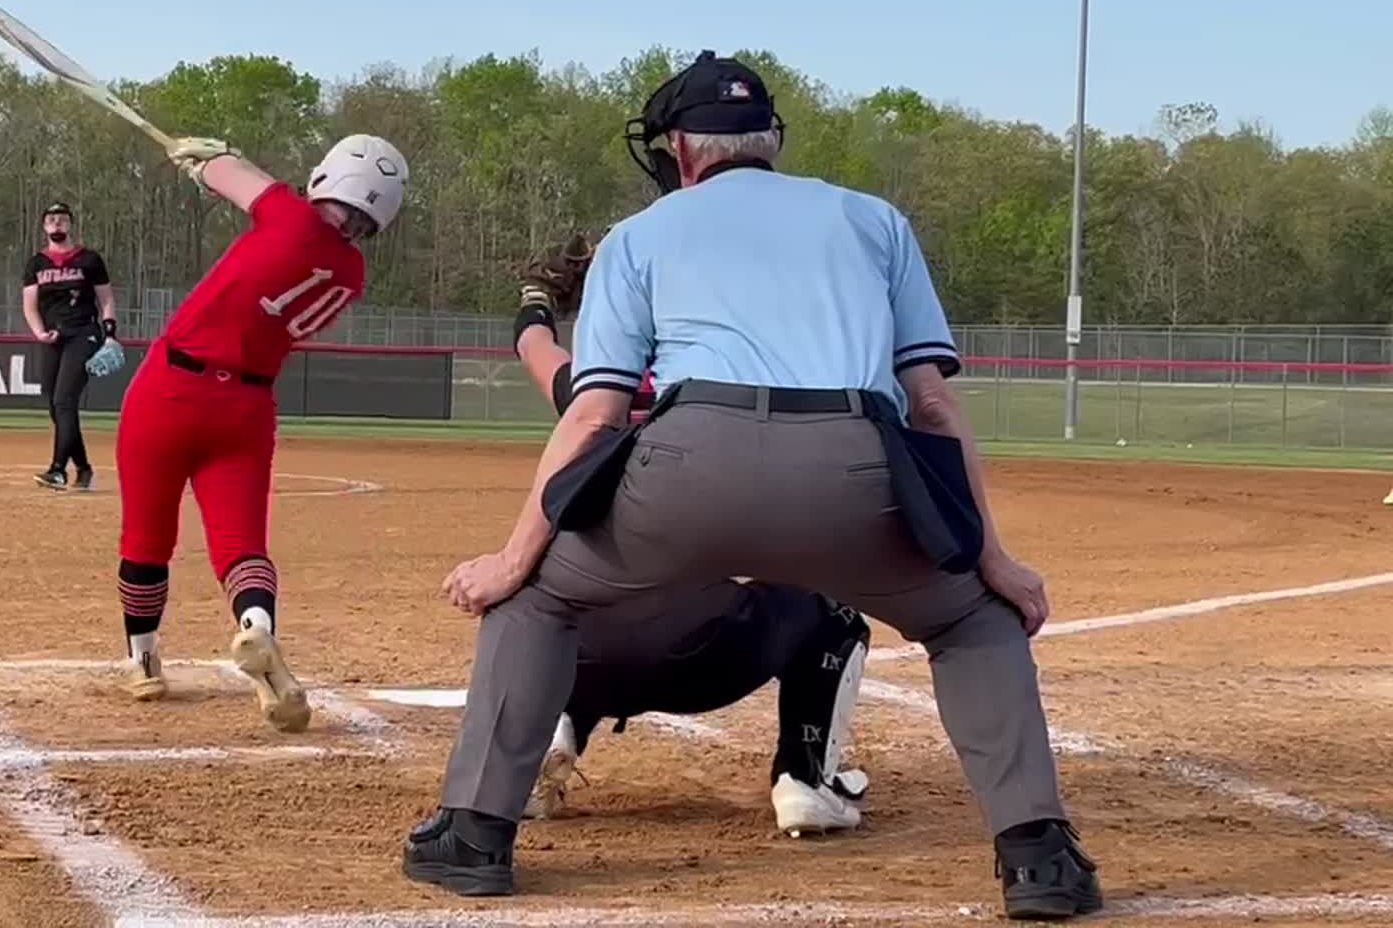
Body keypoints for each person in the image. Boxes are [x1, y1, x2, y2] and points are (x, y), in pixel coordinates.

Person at [402, 52, 1101, 921]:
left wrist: (513, 560)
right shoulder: (875, 220)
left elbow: (593, 417)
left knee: (536, 600)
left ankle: (473, 836)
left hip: (690, 468)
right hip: (856, 469)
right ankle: (1040, 860)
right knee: (971, 619)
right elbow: (933, 405)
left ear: (682, 152)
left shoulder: (642, 234)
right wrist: (991, 557)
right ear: (770, 140)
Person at [510, 239, 873, 833]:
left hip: (584, 656)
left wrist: (537, 300)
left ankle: (552, 733)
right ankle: (805, 781)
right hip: (709, 659)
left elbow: (533, 343)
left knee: (567, 598)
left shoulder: (592, 391)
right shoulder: (746, 382)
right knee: (836, 607)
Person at [111, 133, 408, 734]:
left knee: (147, 536)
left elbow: (231, 175)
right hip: (247, 405)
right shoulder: (351, 271)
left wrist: (204, 157)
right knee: (241, 545)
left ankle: (143, 661)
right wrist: (213, 163)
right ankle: (257, 627)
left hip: (171, 388)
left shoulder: (290, 217)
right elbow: (243, 183)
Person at [21, 202, 121, 491]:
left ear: (70, 225)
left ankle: (58, 470)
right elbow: (30, 304)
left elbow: (106, 299)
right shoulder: (37, 263)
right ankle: (84, 468)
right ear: (44, 226)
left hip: (83, 334)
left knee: (65, 401)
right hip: (53, 337)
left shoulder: (88, 259)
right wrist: (39, 332)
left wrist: (110, 332)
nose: (57, 224)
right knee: (56, 406)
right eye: (51, 219)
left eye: (62, 219)